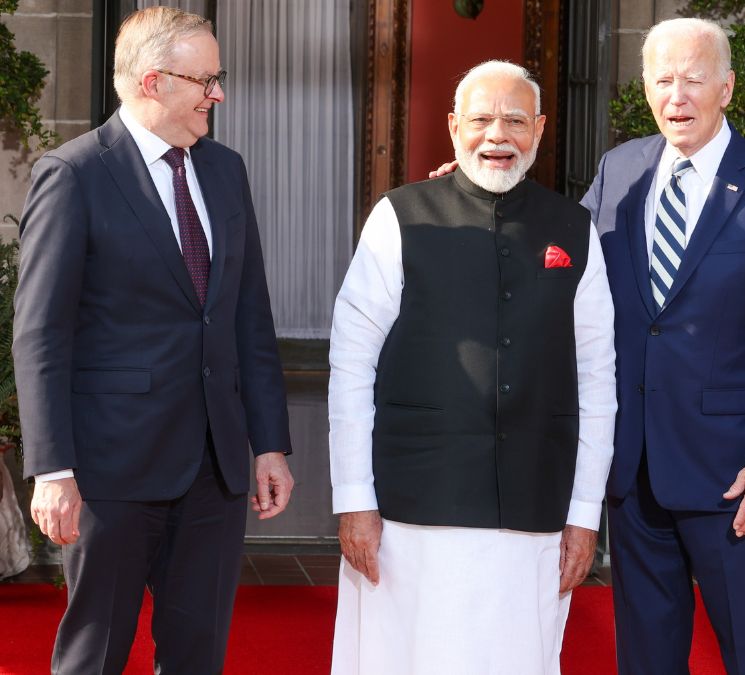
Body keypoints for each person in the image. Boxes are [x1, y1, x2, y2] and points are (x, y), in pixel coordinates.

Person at [14, 6, 294, 674]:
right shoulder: (74, 173)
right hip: (110, 469)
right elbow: (41, 333)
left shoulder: (225, 170)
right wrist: (53, 470)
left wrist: (270, 443)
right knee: (94, 655)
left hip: (215, 470)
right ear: (152, 81)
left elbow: (249, 317)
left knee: (198, 656)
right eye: (206, 80)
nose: (217, 95)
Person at [327, 60, 617, 674]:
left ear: (540, 129)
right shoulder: (399, 216)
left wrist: (584, 514)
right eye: (481, 119)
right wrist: (354, 498)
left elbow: (597, 379)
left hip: (535, 508)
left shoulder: (575, 229)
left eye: (516, 120)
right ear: (454, 126)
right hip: (410, 508)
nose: (497, 135)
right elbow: (351, 362)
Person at [581, 18, 745, 675]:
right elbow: (561, 263)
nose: (677, 95)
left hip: (734, 482)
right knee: (646, 659)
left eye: (693, 79)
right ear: (645, 88)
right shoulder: (617, 171)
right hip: (634, 472)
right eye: (663, 80)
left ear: (727, 87)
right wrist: (476, 201)